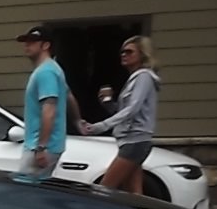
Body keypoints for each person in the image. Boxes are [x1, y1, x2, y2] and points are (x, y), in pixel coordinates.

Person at [82, 35, 161, 196]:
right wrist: (107, 103)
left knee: (103, 189)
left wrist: (100, 126)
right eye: (122, 52)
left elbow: (132, 109)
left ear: (142, 54)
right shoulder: (135, 78)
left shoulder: (143, 77)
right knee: (133, 194)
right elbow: (124, 111)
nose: (124, 55)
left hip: (135, 141)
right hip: (132, 141)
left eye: (129, 52)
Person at [15, 25, 68, 182]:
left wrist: (41, 147)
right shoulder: (52, 69)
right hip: (46, 144)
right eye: (26, 42)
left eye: (32, 42)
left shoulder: (46, 72)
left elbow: (49, 111)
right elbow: (68, 94)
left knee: (24, 190)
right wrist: (78, 120)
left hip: (41, 146)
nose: (27, 45)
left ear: (46, 45)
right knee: (37, 189)